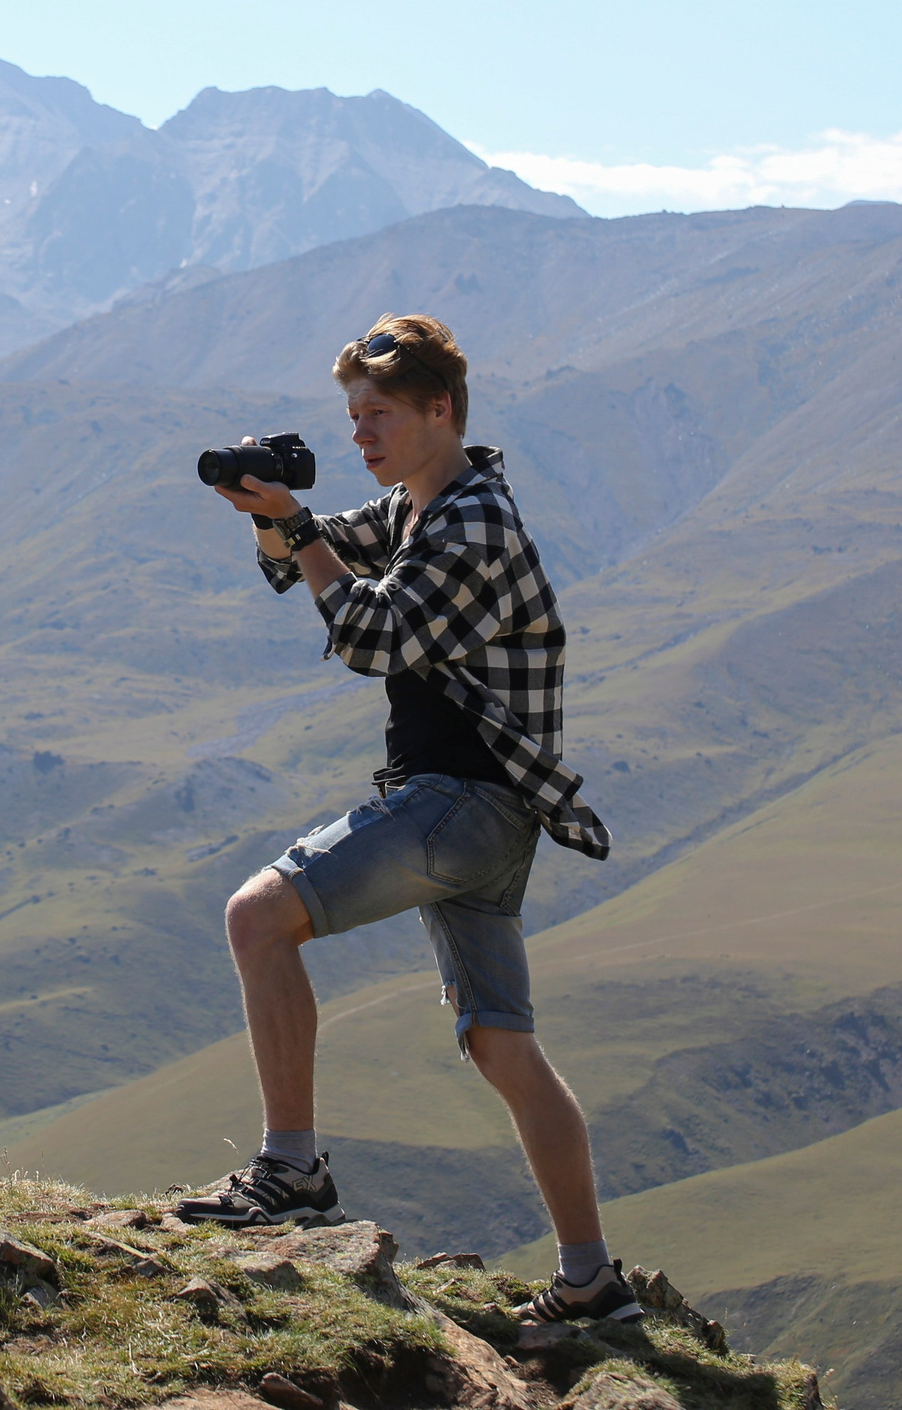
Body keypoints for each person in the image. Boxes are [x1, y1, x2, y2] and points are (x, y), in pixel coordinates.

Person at [191, 312, 641, 1326]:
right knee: (503, 1048)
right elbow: (300, 563)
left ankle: (291, 1171)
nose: (360, 435)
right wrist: (269, 511)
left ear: (441, 411)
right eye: (352, 417)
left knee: (256, 919)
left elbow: (372, 632)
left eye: (378, 415)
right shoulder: (419, 507)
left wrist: (300, 533)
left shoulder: (474, 525)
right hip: (484, 816)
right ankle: (589, 1284)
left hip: (459, 804)